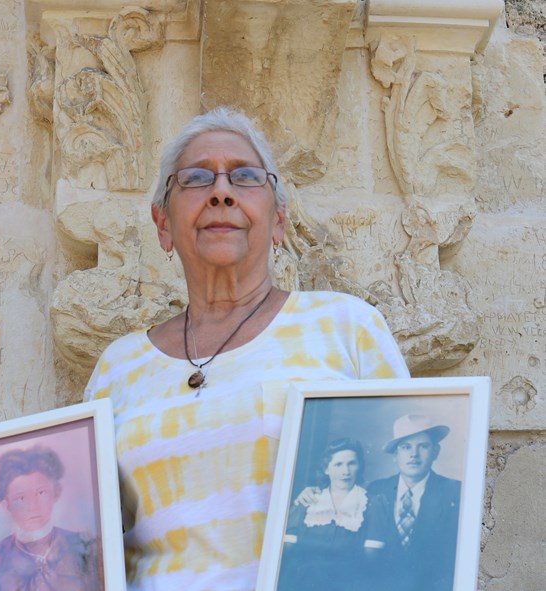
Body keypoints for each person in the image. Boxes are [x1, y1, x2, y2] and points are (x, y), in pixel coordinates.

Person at [84, 106, 410, 591]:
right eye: (195, 178)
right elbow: (88, 542)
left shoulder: (347, 327)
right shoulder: (118, 368)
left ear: (277, 220)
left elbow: (400, 497)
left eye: (245, 177)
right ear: (162, 224)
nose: (221, 191)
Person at [0, 445, 101, 591]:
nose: (33, 506)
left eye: (41, 493)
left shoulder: (84, 547)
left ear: (55, 492)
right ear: (7, 505)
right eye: (21, 498)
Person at [368, 413, 461, 591]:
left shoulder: (455, 492)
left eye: (423, 446)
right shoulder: (375, 490)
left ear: (435, 452)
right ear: (395, 454)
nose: (414, 454)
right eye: (405, 447)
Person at [278, 438, 385, 591]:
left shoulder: (372, 505)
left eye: (351, 463)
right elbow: (286, 551)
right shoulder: (307, 500)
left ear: (359, 467)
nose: (345, 472)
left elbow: (371, 560)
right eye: (338, 464)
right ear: (326, 469)